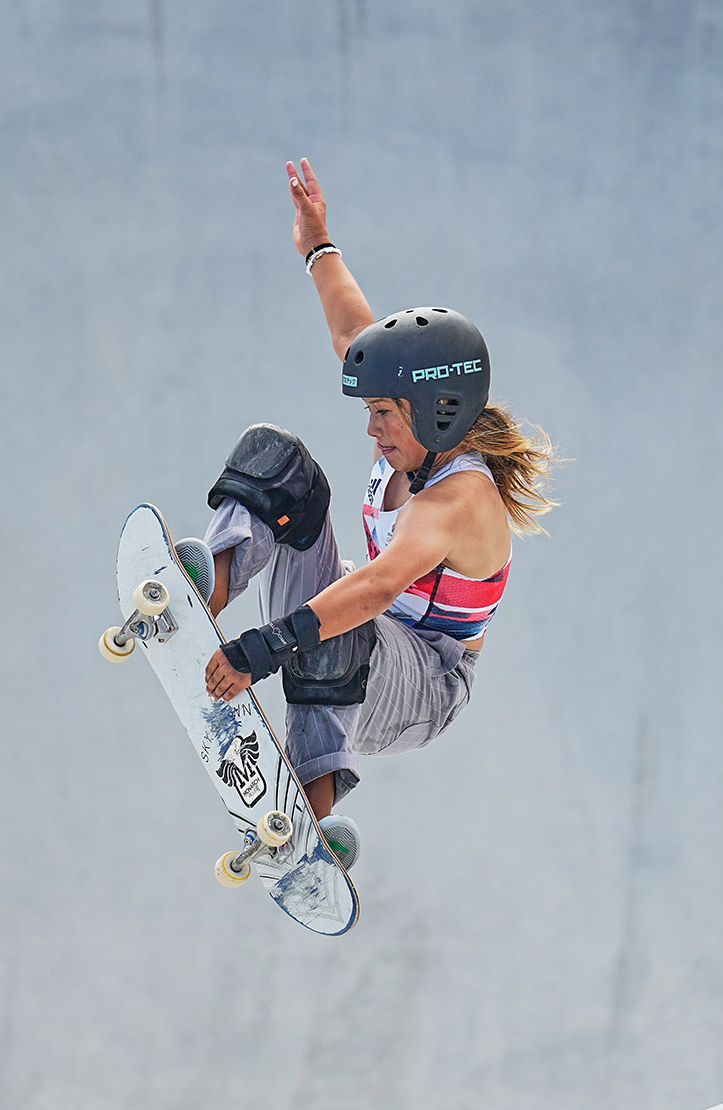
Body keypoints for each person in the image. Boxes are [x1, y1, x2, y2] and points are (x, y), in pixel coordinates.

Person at [200, 157, 558, 870]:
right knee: (279, 461)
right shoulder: (413, 439)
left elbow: (379, 586)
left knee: (341, 623)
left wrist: (261, 649)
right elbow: (351, 334)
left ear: (436, 411)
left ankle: (308, 811)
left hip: (426, 681)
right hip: (377, 637)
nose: (373, 430)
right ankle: (204, 591)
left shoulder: (459, 498)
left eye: (385, 415)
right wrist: (317, 245)